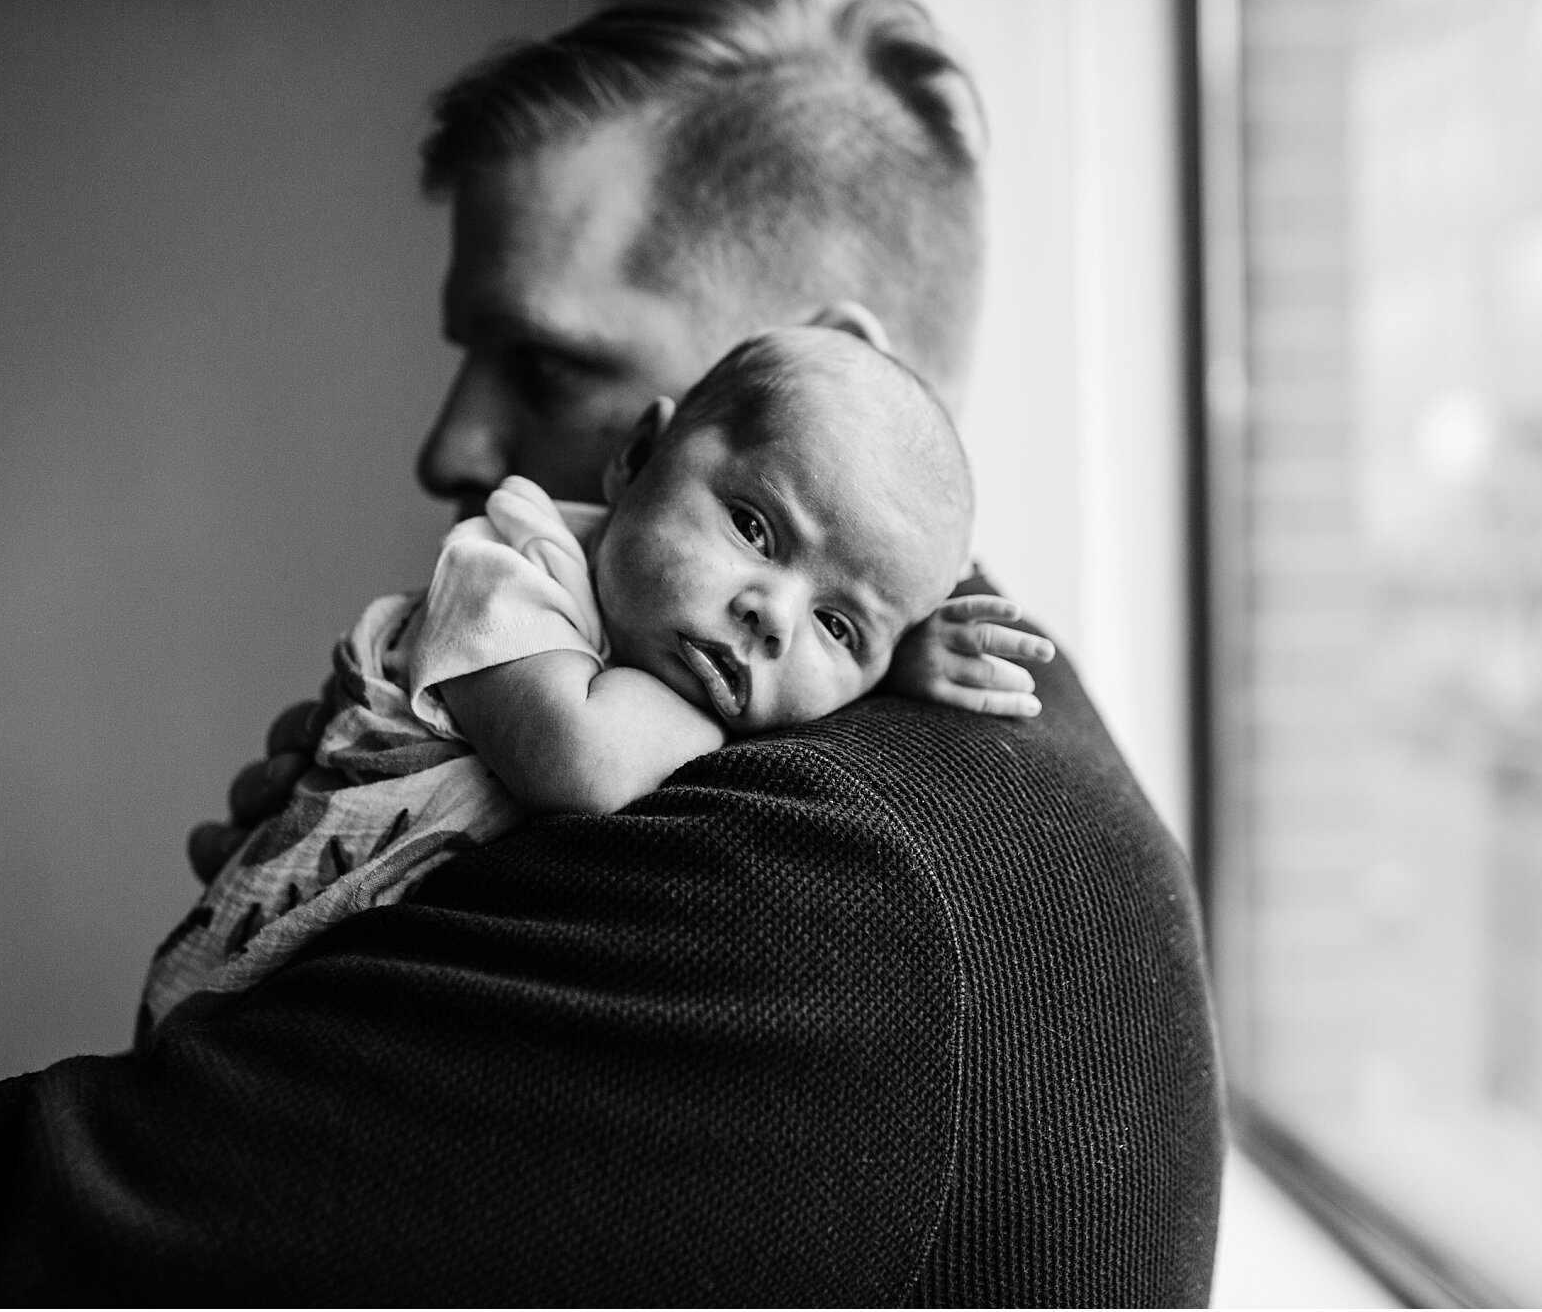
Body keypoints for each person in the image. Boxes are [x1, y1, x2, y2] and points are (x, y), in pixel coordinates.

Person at [0, 0, 1223, 1307]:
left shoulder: (812, 875)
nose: (453, 445)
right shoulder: (947, 749)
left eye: (548, 364)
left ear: (838, 351)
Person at [141, 321, 1035, 1037]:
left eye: (838, 626)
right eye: (754, 529)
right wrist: (803, 683)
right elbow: (583, 763)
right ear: (638, 456)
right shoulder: (508, 562)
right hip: (230, 991)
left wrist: (890, 668)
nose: (773, 616)